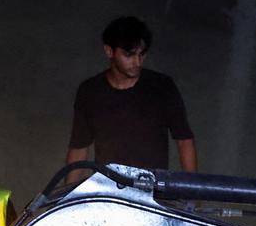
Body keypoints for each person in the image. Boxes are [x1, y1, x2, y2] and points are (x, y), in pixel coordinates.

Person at [67, 15, 198, 172]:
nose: (137, 62)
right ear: (109, 51)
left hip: (151, 188)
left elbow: (184, 141)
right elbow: (79, 149)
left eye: (141, 54)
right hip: (108, 189)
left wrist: (191, 193)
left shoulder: (162, 87)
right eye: (129, 55)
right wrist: (67, 194)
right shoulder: (90, 91)